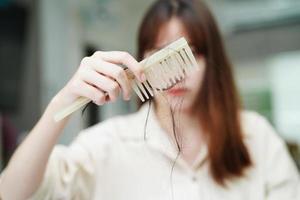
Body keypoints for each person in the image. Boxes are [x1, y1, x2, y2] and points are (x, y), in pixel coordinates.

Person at [0, 0, 299, 199]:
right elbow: (11, 192)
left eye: (191, 52)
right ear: (140, 61)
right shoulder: (105, 145)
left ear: (212, 61)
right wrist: (63, 101)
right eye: (158, 52)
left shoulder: (255, 136)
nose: (178, 74)